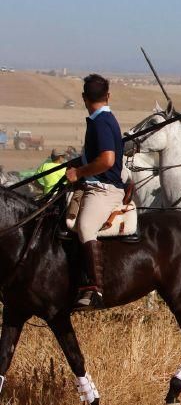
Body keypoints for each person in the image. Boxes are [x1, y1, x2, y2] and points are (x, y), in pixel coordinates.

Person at [65, 74, 126, 311]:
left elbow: (108, 160)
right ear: (108, 95)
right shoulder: (102, 119)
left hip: (104, 190)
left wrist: (79, 173)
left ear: (83, 98)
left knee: (86, 227)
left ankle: (95, 290)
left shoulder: (101, 122)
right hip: (93, 184)